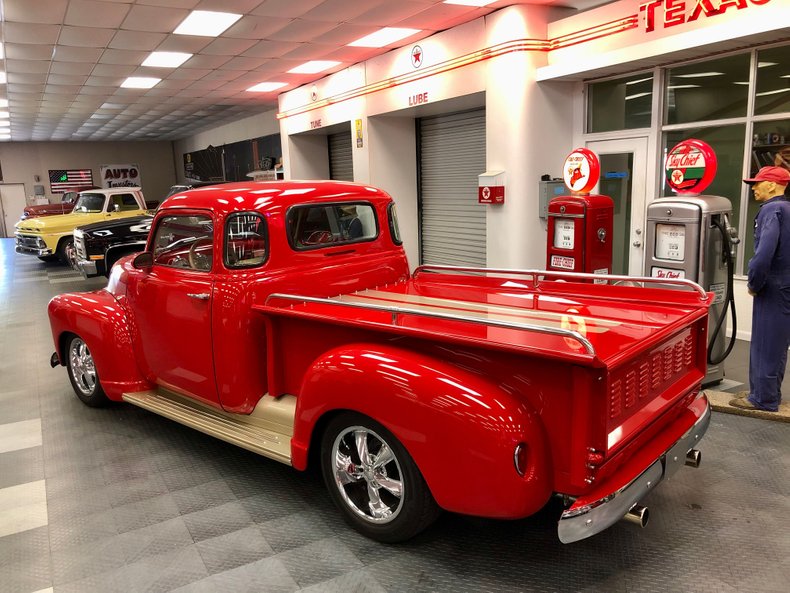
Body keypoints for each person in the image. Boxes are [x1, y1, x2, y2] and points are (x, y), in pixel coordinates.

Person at [729, 166, 790, 412]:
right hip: (785, 284)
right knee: (777, 343)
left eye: (758, 183)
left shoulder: (772, 210)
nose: (754, 188)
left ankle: (763, 399)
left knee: (765, 342)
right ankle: (766, 392)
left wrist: (754, 282)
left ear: (773, 185)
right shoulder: (787, 208)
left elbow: (764, 254)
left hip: (773, 285)